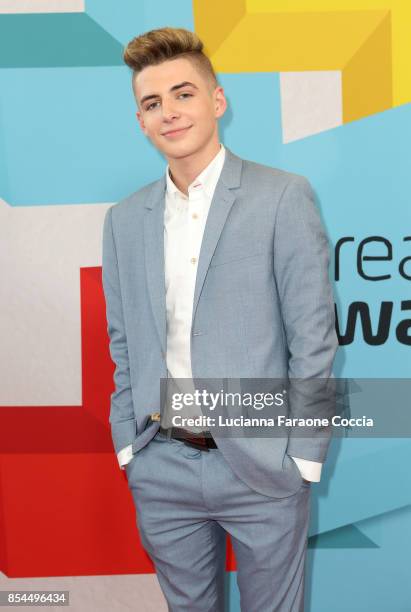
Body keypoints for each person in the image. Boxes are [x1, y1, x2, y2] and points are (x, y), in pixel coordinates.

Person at [102, 26, 338, 612]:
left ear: (217, 100)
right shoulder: (124, 219)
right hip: (161, 466)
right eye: (152, 103)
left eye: (183, 94)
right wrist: (130, 447)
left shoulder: (282, 196)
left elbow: (313, 339)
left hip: (263, 469)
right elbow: (124, 344)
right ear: (140, 121)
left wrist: (302, 458)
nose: (169, 113)